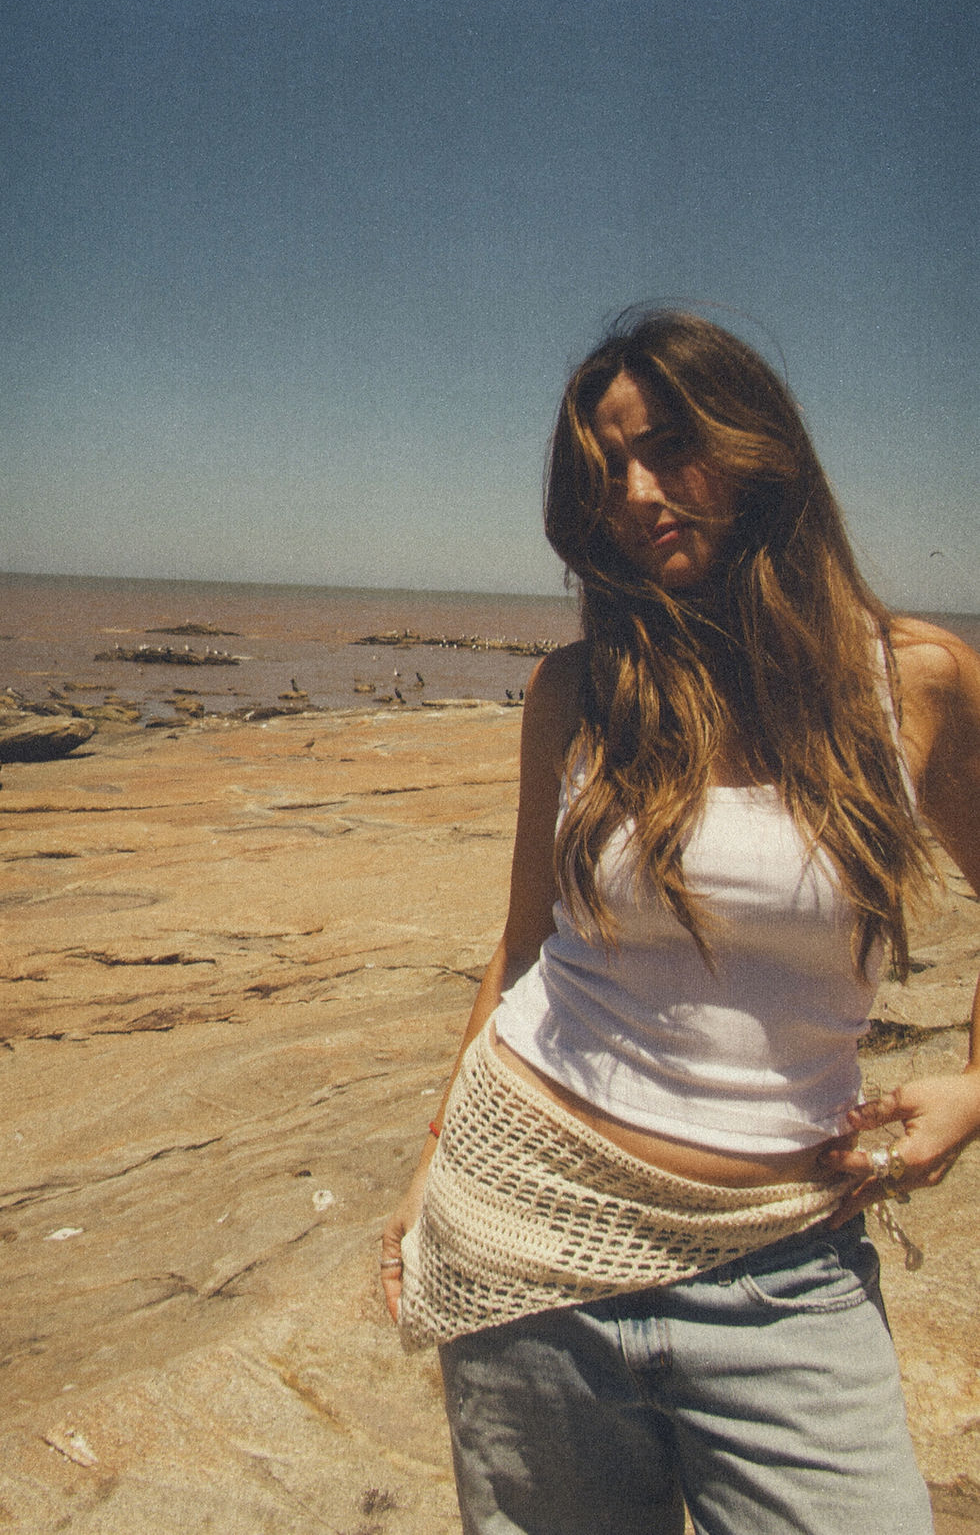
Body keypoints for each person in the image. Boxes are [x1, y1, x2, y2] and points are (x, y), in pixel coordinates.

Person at [380, 310, 980, 1535]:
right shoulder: (578, 691)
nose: (638, 493)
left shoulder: (910, 679)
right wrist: (432, 1158)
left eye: (668, 447)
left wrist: (976, 1089)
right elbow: (522, 943)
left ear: (757, 445)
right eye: (606, 473)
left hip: (783, 1261)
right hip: (524, 1232)